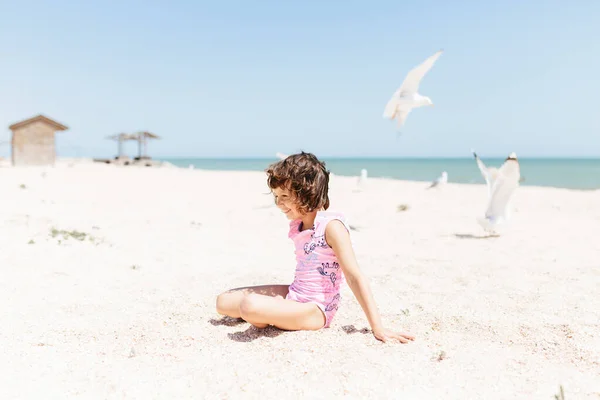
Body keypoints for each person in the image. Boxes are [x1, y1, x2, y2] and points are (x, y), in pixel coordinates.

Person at [215, 152, 414, 343]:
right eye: (276, 196)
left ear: (306, 193)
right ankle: (272, 314)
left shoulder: (332, 227)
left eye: (284, 196)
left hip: (317, 309)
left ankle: (268, 315)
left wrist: (377, 327)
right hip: (296, 293)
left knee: (249, 305)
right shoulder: (299, 225)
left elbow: (354, 276)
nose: (278, 203)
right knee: (223, 301)